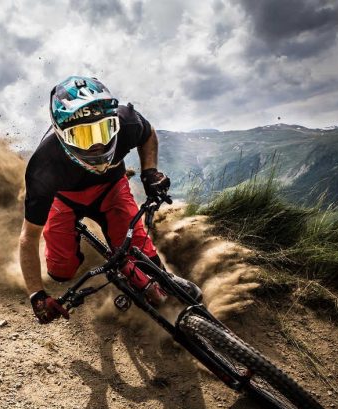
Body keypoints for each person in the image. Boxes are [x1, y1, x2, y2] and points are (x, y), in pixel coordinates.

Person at [19, 76, 201, 323]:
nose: (97, 145)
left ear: (115, 123)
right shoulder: (43, 166)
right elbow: (29, 239)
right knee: (61, 273)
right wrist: (37, 296)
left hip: (111, 188)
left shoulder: (126, 121)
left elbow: (148, 133)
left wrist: (150, 174)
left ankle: (159, 279)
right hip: (65, 201)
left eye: (104, 130)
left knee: (141, 254)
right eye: (83, 137)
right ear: (62, 136)